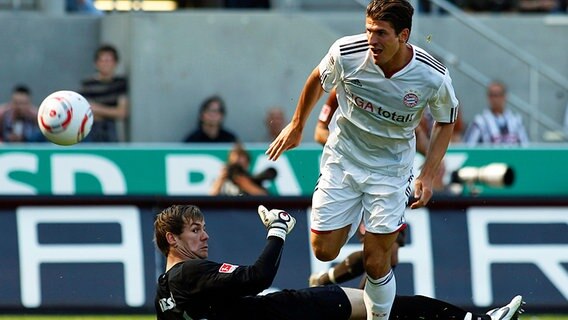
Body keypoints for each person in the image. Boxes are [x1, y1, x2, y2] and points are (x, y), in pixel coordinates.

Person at [266, 0, 459, 318]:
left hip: (391, 170)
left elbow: (446, 120)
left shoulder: (431, 76)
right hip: (343, 159)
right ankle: (355, 213)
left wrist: (426, 174)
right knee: (324, 250)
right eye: (369, 30)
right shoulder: (346, 53)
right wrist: (298, 125)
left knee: (378, 259)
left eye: (381, 33)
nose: (372, 39)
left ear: (404, 35)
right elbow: (317, 78)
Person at [154, 204, 524, 320]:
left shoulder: (164, 291)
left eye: (203, 228)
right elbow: (256, 276)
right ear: (172, 239)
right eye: (194, 231)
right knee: (379, 305)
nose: (205, 236)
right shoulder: (190, 271)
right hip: (289, 313)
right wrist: (279, 230)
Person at [80, 44, 129, 142]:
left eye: (108, 60)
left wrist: (97, 108)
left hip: (110, 129)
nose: (105, 64)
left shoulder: (120, 84)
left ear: (115, 63)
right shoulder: (88, 84)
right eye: (102, 60)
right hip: (90, 129)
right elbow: (85, 111)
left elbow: (121, 112)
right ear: (96, 63)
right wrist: (110, 111)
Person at [463, 81, 529, 146]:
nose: (495, 99)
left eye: (498, 95)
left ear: (505, 96)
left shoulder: (516, 121)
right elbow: (468, 147)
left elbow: (525, 147)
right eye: (492, 95)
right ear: (488, 97)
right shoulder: (480, 122)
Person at [210, 143, 276, 196]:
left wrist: (247, 185)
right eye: (235, 166)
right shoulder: (223, 180)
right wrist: (221, 178)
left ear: (247, 164)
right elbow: (212, 197)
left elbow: (266, 197)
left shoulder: (253, 180)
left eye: (240, 166)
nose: (237, 170)